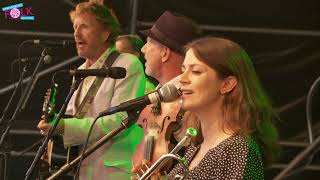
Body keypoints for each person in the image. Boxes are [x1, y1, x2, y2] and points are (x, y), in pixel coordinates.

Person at [37, 1, 146, 179]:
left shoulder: (127, 63)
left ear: (105, 33)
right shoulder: (81, 70)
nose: (76, 33)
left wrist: (64, 126)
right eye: (75, 27)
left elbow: (120, 120)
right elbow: (75, 116)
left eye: (84, 26)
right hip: (82, 170)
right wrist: (54, 123)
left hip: (112, 173)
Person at [167, 37, 279, 179]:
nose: (182, 78)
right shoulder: (196, 145)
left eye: (196, 71)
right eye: (183, 70)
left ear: (227, 84)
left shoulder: (237, 148)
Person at [131, 11, 202, 178]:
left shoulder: (191, 99)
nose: (143, 49)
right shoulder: (157, 92)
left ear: (165, 53)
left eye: (148, 43)